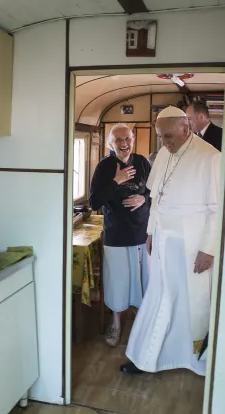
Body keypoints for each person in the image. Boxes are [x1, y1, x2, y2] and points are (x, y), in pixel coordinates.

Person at [121, 106, 220, 376]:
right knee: (160, 296)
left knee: (188, 302)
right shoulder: (164, 153)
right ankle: (147, 357)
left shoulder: (210, 157)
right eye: (161, 137)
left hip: (191, 245)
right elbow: (156, 200)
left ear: (186, 127)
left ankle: (194, 360)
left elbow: (217, 209)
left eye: (170, 136)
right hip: (164, 240)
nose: (166, 143)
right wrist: (151, 232)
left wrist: (209, 250)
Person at [89, 124, 151, 347]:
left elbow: (154, 193)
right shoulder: (105, 167)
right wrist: (117, 180)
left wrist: (144, 199)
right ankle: (115, 322)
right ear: (110, 144)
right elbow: (94, 202)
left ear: (133, 139)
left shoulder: (143, 162)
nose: (124, 143)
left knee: (141, 279)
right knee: (117, 280)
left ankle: (140, 318)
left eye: (127, 138)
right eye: (118, 140)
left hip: (140, 232)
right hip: (115, 234)